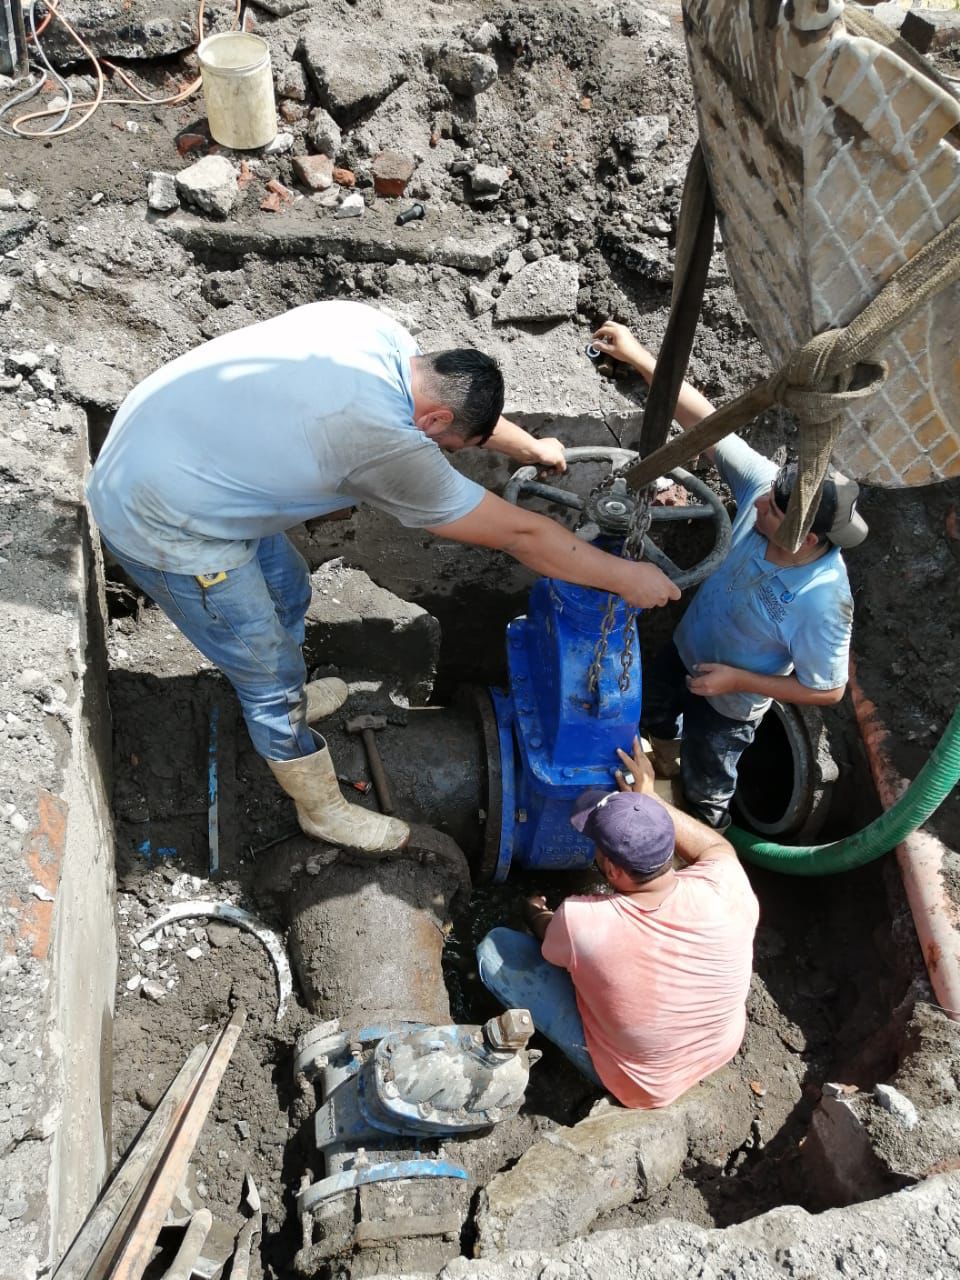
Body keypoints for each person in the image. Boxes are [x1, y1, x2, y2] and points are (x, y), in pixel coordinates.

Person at [86, 301, 680, 855]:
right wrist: (624, 577)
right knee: (267, 674)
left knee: (290, 589)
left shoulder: (375, 332)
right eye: (449, 446)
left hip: (180, 454)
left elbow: (457, 414)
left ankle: (287, 702)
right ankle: (317, 803)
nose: (445, 453)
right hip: (166, 522)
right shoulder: (383, 442)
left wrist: (529, 447)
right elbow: (522, 536)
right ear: (433, 420)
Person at [589, 320, 868, 830]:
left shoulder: (824, 602)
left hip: (730, 705)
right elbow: (710, 424)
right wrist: (639, 357)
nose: (757, 503)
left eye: (772, 510)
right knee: (653, 712)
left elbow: (827, 690)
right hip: (684, 650)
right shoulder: (769, 489)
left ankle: (708, 828)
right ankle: (661, 753)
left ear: (806, 539)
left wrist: (737, 680)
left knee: (709, 777)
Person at [476, 737, 759, 1108]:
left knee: (495, 950)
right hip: (718, 1046)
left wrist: (534, 909)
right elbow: (717, 847)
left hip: (645, 1084)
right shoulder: (727, 883)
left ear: (611, 869)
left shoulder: (582, 922)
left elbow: (547, 937)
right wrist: (650, 801)